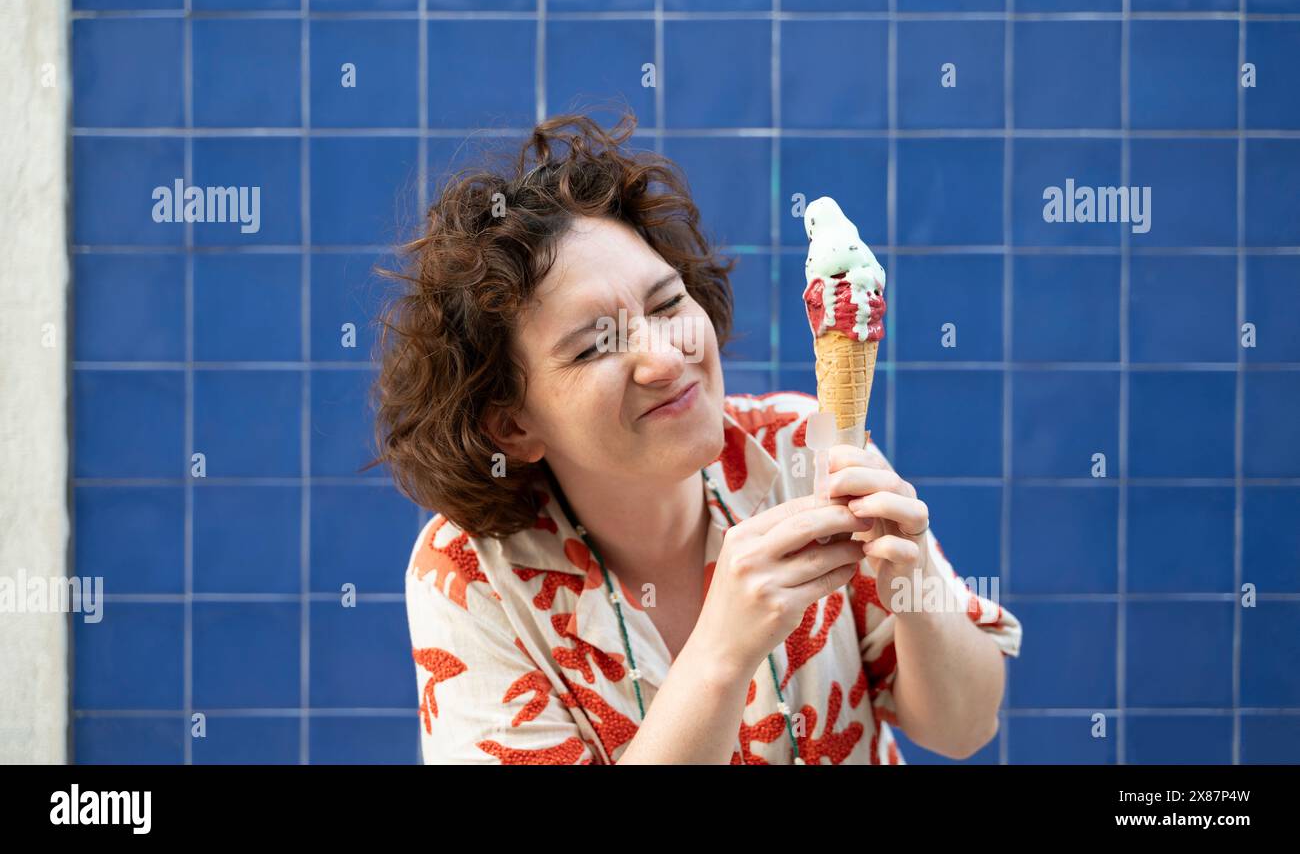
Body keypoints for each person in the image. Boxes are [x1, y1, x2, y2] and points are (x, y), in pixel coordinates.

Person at [369, 110, 1022, 764]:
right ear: (513, 425)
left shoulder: (802, 443)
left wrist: (914, 591)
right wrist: (722, 651)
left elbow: (966, 726)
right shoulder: (469, 575)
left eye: (665, 305)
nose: (665, 356)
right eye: (597, 345)